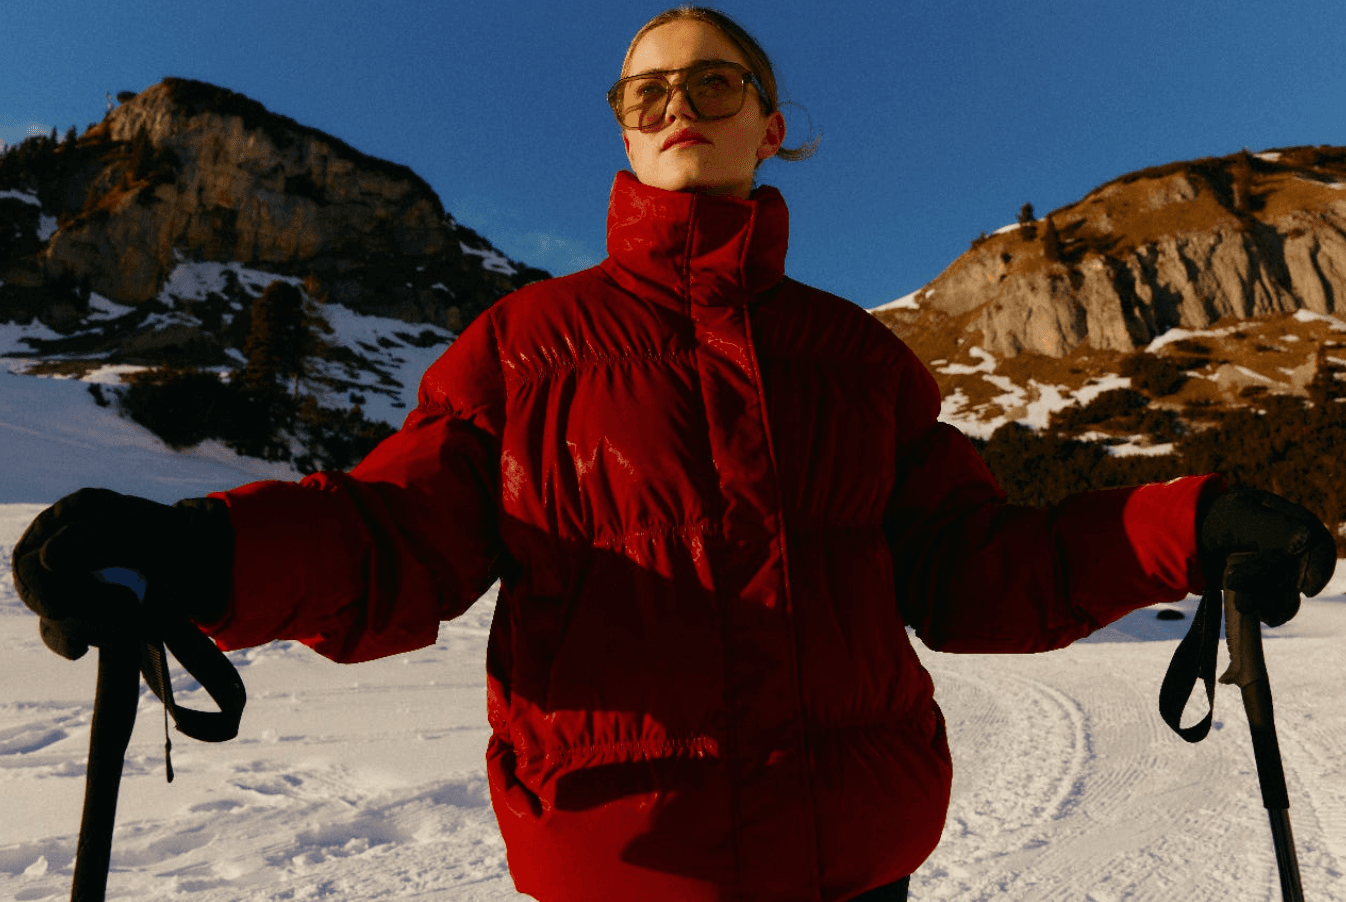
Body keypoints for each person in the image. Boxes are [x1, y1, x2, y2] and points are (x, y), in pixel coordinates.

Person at [12, 7, 1336, 902]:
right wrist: (200, 552)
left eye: (714, 81)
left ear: (772, 125)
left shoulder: (855, 361)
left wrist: (1184, 523)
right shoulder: (523, 345)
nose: (676, 103)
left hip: (850, 867)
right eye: (646, 88)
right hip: (619, 868)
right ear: (622, 127)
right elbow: (394, 535)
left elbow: (971, 569)